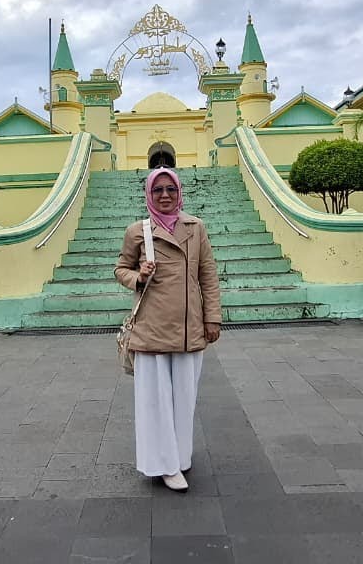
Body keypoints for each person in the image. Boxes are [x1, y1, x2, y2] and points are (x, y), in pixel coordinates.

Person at [114, 167, 222, 493]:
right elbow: (121, 269)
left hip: (190, 327)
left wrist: (212, 318)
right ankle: (162, 464)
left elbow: (208, 275)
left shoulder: (195, 228)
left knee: (184, 400)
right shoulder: (138, 231)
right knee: (155, 401)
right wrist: (139, 276)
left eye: (170, 190)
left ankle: (179, 456)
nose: (164, 195)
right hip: (152, 329)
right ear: (149, 194)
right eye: (158, 189)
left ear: (179, 193)